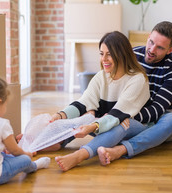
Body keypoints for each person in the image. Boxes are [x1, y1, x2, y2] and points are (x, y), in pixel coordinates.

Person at [51, 31, 150, 171]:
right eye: (101, 53)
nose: (104, 59)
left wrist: (91, 127)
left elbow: (118, 114)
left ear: (122, 54)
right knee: (82, 115)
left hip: (134, 126)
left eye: (109, 54)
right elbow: (84, 102)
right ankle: (53, 142)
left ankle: (79, 155)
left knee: (120, 123)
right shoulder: (101, 76)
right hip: (105, 124)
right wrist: (59, 115)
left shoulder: (137, 79)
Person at [96, 21, 172, 165]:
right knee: (96, 114)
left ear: (170, 50)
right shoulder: (133, 55)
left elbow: (158, 109)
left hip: (159, 122)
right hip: (131, 116)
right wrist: (116, 115)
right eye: (151, 42)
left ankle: (121, 150)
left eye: (160, 48)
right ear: (148, 36)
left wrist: (121, 117)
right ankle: (61, 139)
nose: (151, 49)